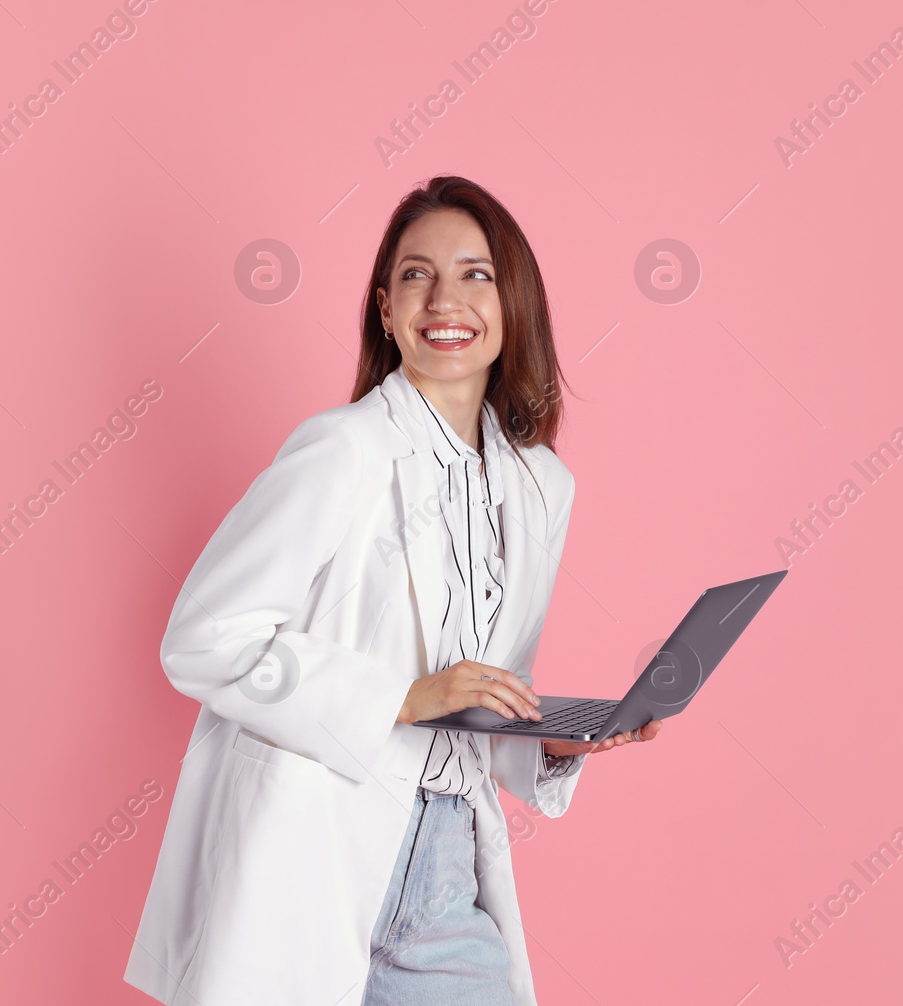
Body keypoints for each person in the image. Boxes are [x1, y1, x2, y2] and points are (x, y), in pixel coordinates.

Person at [124, 175, 663, 1006]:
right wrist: (402, 697)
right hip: (312, 860)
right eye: (416, 274)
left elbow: (486, 703)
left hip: (444, 868)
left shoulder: (538, 489)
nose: (444, 297)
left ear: (513, 304)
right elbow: (203, 639)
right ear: (385, 308)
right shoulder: (342, 451)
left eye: (475, 273)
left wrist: (555, 742)